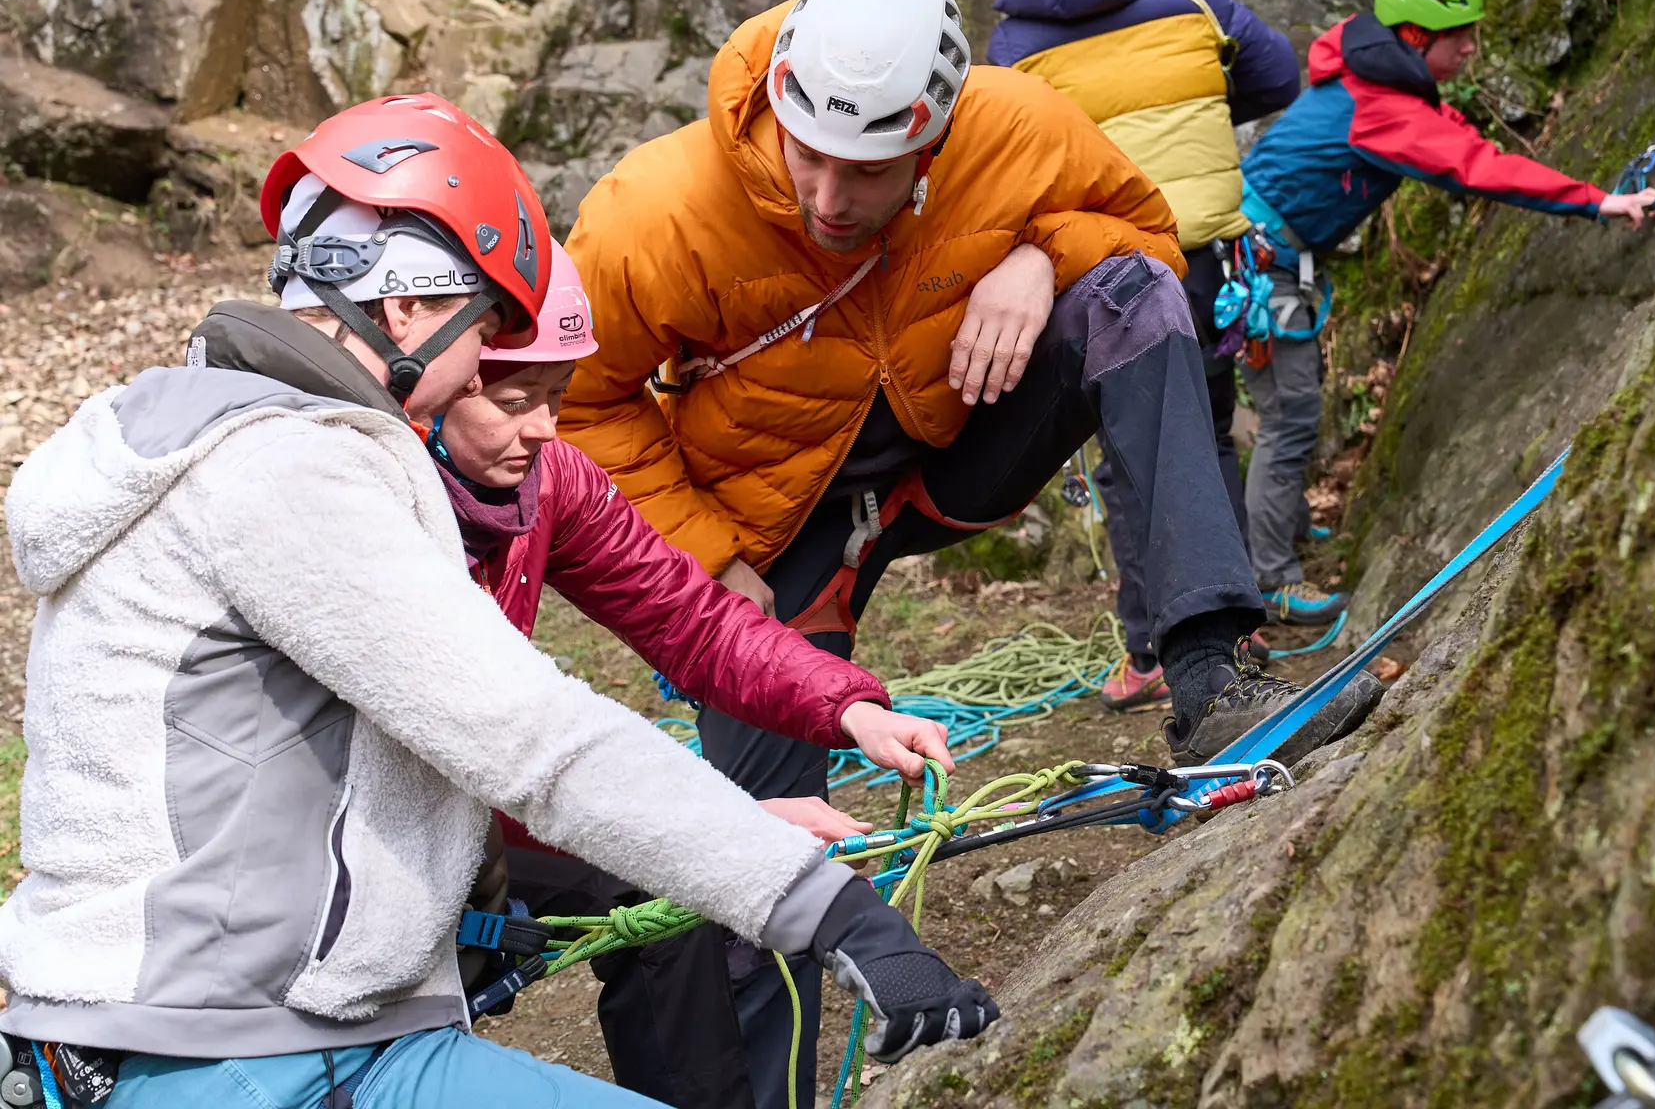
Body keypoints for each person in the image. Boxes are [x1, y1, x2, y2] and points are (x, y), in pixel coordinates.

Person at [0, 93, 993, 1109]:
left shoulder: (240, 447)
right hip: (239, 1059)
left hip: (271, 1031)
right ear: (406, 308)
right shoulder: (282, 472)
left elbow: (665, 630)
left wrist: (786, 768)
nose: (495, 373)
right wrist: (821, 903)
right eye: (486, 334)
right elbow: (531, 733)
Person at [560, 0, 1383, 1109]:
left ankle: (1206, 673)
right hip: (766, 528)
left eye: (872, 170)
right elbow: (580, 407)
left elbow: (1149, 240)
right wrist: (712, 563)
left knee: (1128, 297)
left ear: (936, 140)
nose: (830, 200)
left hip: (956, 447)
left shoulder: (1018, 124)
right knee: (746, 853)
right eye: (810, 158)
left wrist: (1045, 261)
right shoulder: (657, 213)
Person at [425, 244, 957, 1107]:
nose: (544, 429)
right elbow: (504, 732)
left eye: (559, 398)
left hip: (485, 808)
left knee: (669, 893)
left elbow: (691, 620)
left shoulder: (549, 481)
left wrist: (849, 707)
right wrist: (717, 821)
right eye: (515, 400)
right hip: (370, 840)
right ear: (430, 387)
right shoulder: (367, 505)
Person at [1234, 0, 1655, 622]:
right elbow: (1474, 167)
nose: (1471, 46)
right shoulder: (1380, 109)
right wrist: (1595, 202)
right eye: (1458, 34)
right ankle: (1271, 579)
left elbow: (1454, 136)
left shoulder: (1379, 78)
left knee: (1296, 404)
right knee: (1289, 414)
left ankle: (1277, 527)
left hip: (1276, 255)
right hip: (1259, 262)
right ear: (1412, 37)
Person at [986, 0, 1304, 704]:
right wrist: (1195, 103)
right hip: (1199, 254)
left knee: (1131, 457)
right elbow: (1278, 77)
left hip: (1099, 269)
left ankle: (1149, 652)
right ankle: (1240, 621)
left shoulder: (1017, 36)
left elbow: (999, 153)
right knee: (1208, 432)